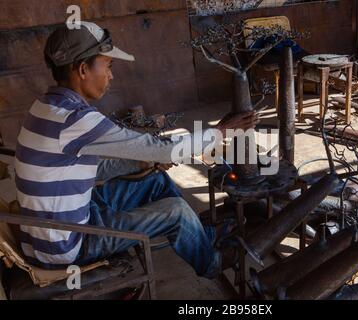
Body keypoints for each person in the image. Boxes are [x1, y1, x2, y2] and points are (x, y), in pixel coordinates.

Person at [14, 21, 259, 279]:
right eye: (108, 66)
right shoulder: (75, 119)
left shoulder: (46, 106)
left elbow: (90, 169)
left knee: (154, 180)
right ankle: (212, 263)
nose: (111, 76)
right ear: (84, 69)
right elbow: (163, 150)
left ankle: (203, 236)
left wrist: (140, 163)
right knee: (176, 211)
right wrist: (219, 131)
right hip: (68, 246)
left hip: (56, 227)